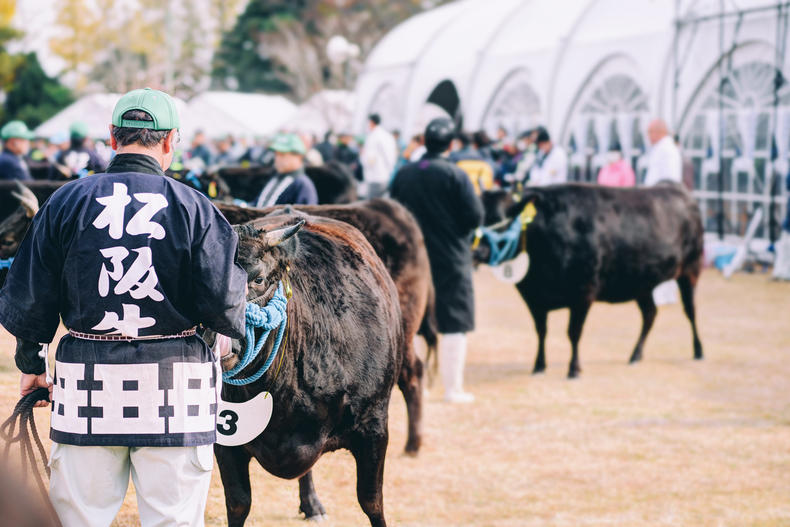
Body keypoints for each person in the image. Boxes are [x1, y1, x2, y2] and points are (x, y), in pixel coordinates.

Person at [0, 87, 248, 527]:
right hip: (177, 389)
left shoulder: (65, 201)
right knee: (173, 520)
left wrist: (31, 361)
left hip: (87, 388)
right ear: (171, 141)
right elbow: (224, 304)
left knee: (77, 518)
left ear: (112, 139)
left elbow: (30, 295)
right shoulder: (195, 207)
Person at [390, 118, 484, 404]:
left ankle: (418, 383)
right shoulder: (456, 175)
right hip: (451, 257)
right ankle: (452, 389)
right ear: (451, 144)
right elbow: (475, 217)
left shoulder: (404, 174)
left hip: (411, 258)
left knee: (416, 322)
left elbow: (392, 210)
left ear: (423, 141)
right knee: (454, 321)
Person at [645, 118, 683, 304]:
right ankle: (665, 291)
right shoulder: (664, 149)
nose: (648, 137)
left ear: (658, 132)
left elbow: (666, 180)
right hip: (659, 203)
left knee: (663, 250)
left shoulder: (666, 150)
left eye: (650, 133)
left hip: (661, 205)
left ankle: (665, 292)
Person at [253, 133, 318, 207]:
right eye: (276, 154)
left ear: (298, 156)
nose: (277, 159)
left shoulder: (303, 185)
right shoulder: (276, 176)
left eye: (282, 154)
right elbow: (259, 203)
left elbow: (304, 216)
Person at [360, 113, 397, 198]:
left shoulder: (376, 136)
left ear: (372, 122)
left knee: (371, 206)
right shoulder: (385, 135)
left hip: (376, 176)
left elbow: (371, 156)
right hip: (380, 176)